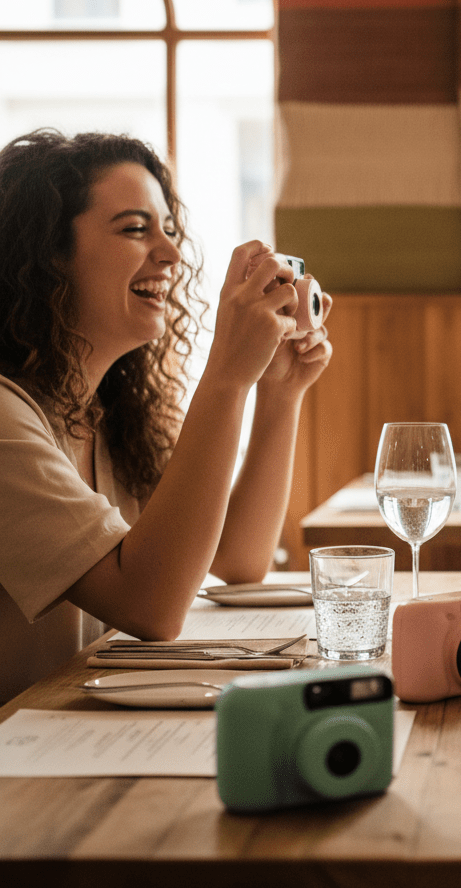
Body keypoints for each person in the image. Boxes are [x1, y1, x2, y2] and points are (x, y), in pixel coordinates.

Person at [0, 129, 332, 702]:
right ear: (47, 254)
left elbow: (237, 558)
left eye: (169, 230)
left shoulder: (107, 415)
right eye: (135, 228)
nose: (173, 254)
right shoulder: (7, 422)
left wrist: (279, 394)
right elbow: (152, 605)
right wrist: (227, 377)